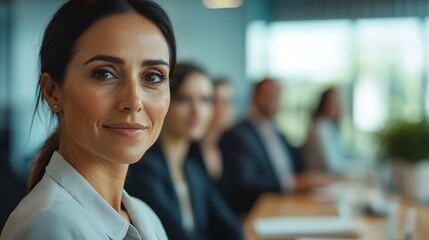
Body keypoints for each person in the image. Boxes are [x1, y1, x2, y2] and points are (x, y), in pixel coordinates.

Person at [1, 0, 176, 239]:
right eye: (104, 73)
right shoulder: (48, 226)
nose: (134, 101)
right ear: (53, 91)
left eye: (153, 77)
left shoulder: (146, 218)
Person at [126, 63, 244, 240]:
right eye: (184, 99)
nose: (197, 111)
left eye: (205, 100)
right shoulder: (143, 168)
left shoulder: (193, 169)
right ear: (165, 102)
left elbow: (231, 227)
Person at [219, 78, 329, 215]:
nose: (275, 100)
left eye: (278, 95)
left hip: (290, 203)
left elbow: (298, 165)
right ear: (254, 97)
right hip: (261, 210)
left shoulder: (278, 133)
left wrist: (311, 179)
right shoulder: (239, 134)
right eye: (269, 95)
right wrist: (293, 184)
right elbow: (246, 183)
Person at [301, 87, 351, 175]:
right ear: (323, 104)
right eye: (332, 102)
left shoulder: (330, 127)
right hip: (322, 180)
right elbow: (332, 166)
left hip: (330, 179)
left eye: (337, 102)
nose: (336, 106)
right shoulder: (320, 128)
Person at [200, 79, 235, 182]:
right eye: (218, 101)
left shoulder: (229, 147)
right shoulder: (191, 149)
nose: (226, 108)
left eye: (230, 101)